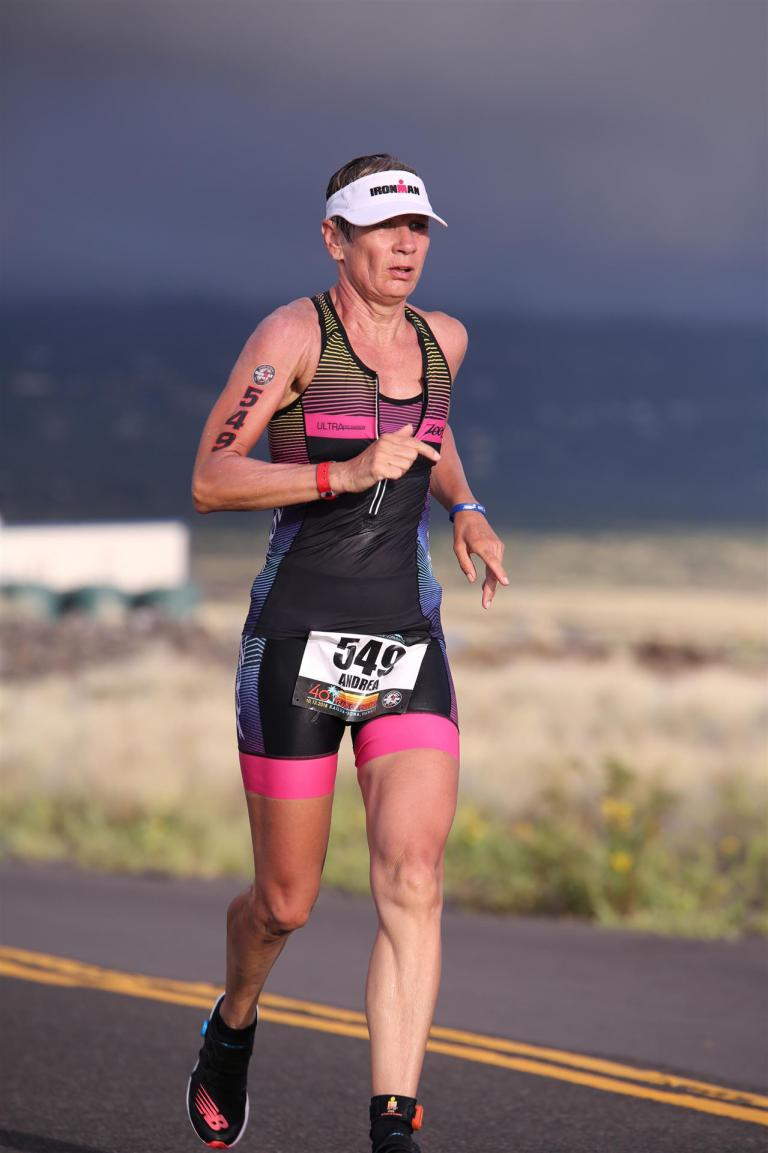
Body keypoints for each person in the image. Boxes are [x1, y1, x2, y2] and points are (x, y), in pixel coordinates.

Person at [186, 153, 507, 1152]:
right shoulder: (292, 336)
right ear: (335, 238)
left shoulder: (444, 339)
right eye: (383, 229)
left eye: (418, 230)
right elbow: (211, 477)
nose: (406, 247)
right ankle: (234, 1020)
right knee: (285, 902)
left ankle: (393, 1126)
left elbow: (431, 431)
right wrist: (345, 471)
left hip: (405, 636)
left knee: (413, 875)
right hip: (297, 636)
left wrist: (465, 504)